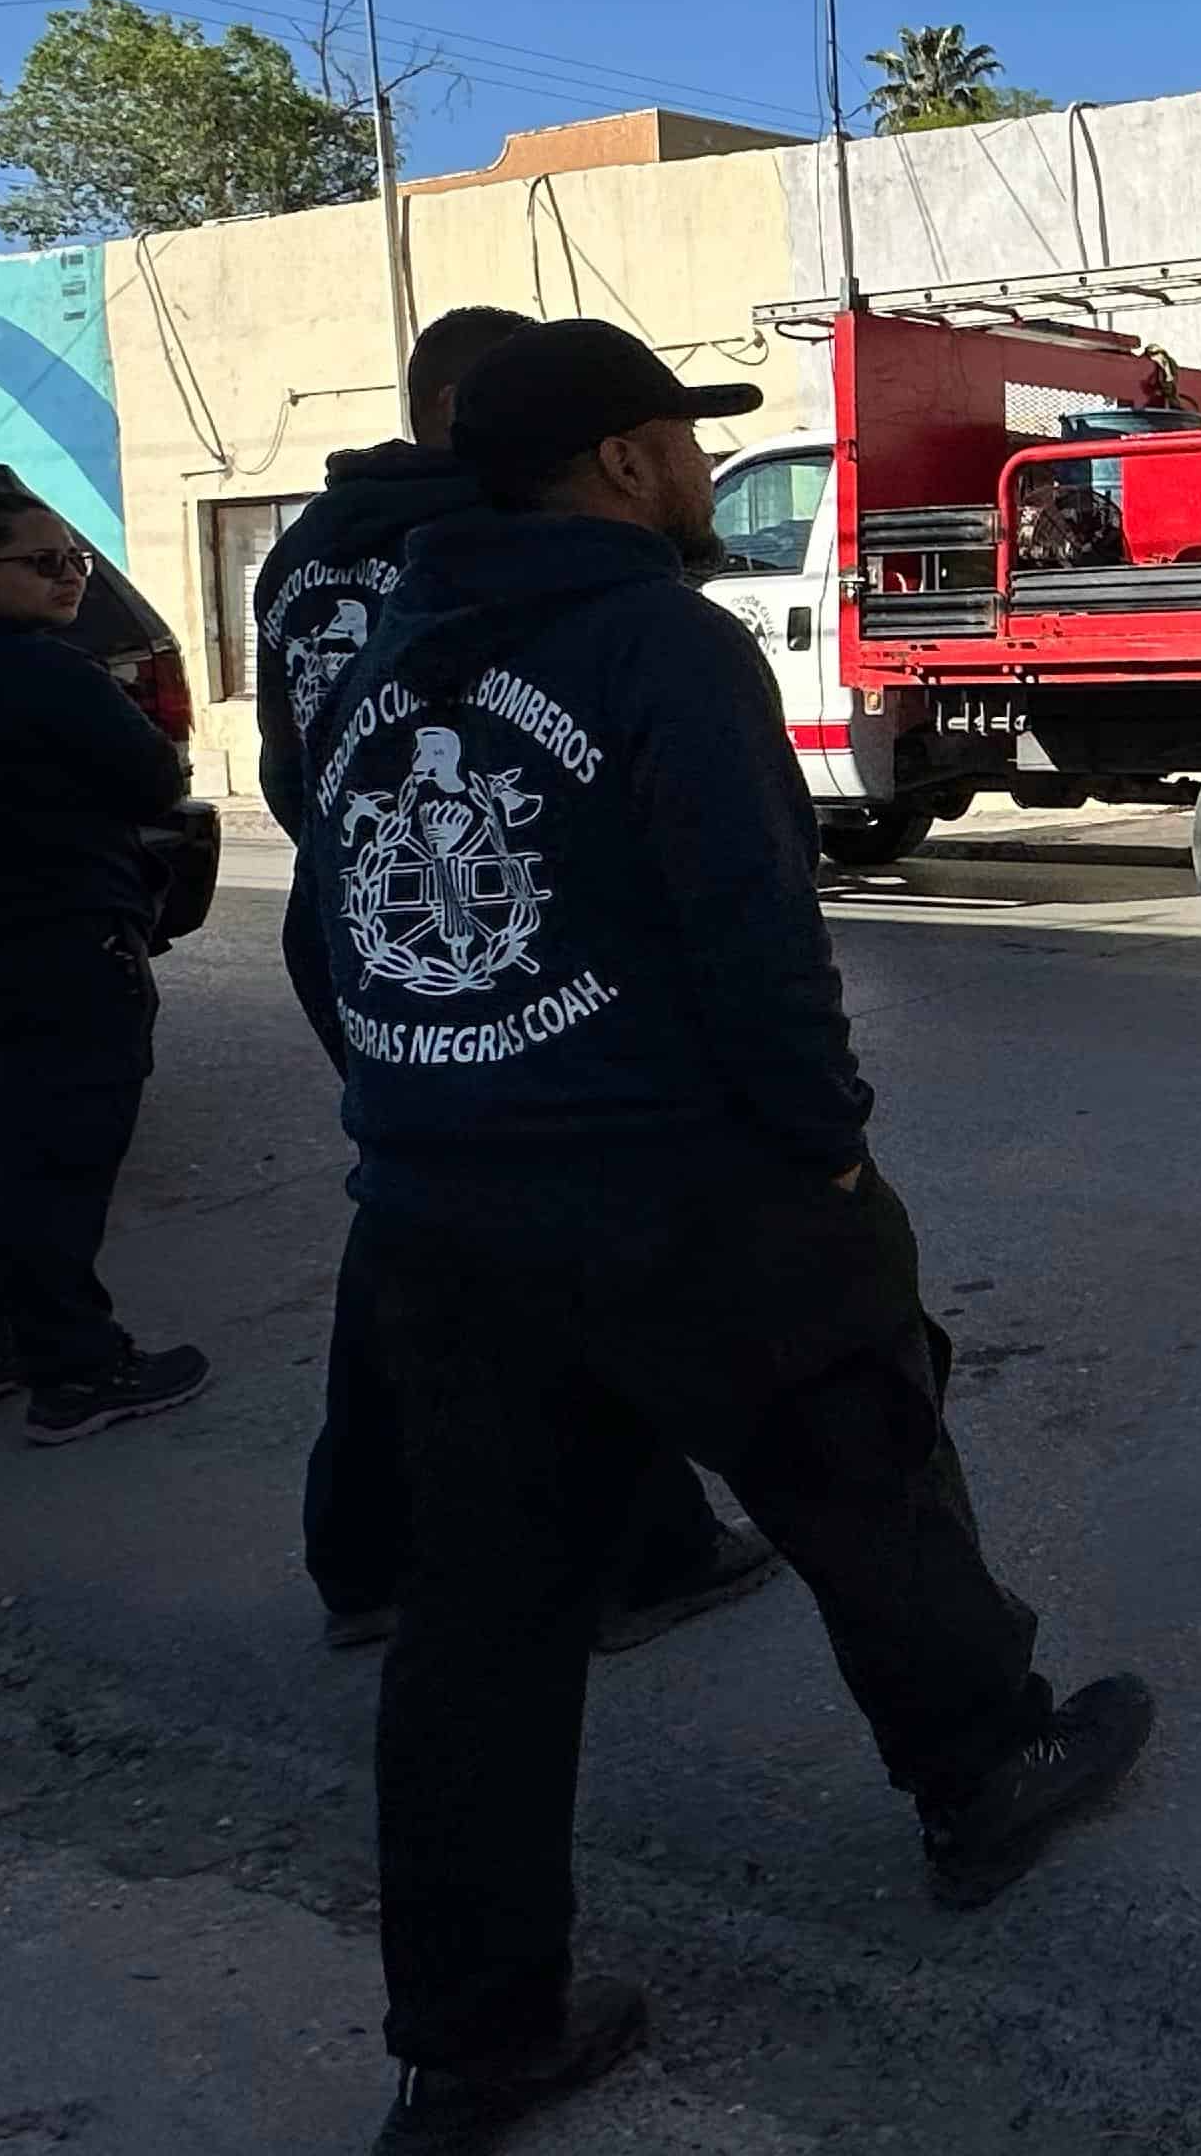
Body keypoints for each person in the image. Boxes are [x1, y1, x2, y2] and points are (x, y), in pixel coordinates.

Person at [299, 317, 1148, 2149]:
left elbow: (328, 930)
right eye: (683, 439)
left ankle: (474, 2036)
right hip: (682, 1194)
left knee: (484, 1624)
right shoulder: (655, 643)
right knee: (865, 1471)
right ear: (620, 461)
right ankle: (984, 1769)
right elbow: (752, 929)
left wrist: (420, 1104)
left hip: (443, 1208)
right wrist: (826, 1151)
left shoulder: (386, 660)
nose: (699, 469)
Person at [256, 302, 776, 1657]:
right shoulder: (500, 568)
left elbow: (291, 764)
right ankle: (638, 1556)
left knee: (422, 1235)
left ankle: (374, 1554)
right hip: (500, 946)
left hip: (358, 931)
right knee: (571, 1259)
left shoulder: (311, 552)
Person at [0, 489, 210, 1445]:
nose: (71, 579)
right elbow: (153, 775)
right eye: (44, 563)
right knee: (50, 1161)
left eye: (77, 561)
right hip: (47, 943)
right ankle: (77, 1369)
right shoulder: (36, 670)